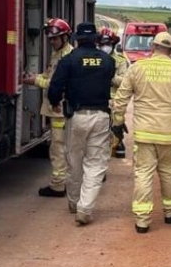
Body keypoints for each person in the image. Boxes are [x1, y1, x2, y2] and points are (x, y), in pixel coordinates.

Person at [112, 31, 171, 234]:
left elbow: (121, 98)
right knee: (168, 172)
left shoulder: (138, 68)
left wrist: (118, 122)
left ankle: (142, 221)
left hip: (143, 134)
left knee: (143, 174)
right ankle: (170, 212)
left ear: (153, 48)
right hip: (169, 134)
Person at [48, 22, 115, 226]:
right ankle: (85, 208)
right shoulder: (108, 61)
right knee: (95, 163)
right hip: (101, 117)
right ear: (95, 39)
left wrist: (54, 102)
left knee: (74, 160)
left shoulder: (69, 60)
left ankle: (74, 202)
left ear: (76, 39)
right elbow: (109, 80)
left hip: (76, 116)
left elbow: (55, 86)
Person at [23, 18, 73, 198]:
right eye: (50, 38)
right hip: (56, 110)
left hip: (60, 110)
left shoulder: (67, 57)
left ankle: (58, 186)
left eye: (55, 38)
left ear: (65, 37)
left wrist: (34, 81)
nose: (52, 42)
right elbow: (48, 75)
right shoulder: (57, 54)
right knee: (58, 147)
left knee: (58, 149)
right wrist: (34, 75)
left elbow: (56, 83)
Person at [98, 27, 129, 158]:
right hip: (98, 97)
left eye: (108, 44)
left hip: (115, 98)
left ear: (113, 44)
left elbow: (124, 81)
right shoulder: (95, 59)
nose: (105, 47)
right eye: (103, 44)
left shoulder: (121, 61)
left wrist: (109, 77)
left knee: (117, 121)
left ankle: (119, 140)